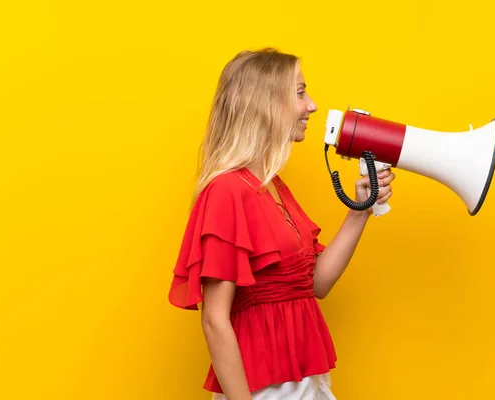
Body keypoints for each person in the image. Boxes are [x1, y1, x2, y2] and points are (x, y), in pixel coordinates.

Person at [168, 48, 395, 399]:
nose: (312, 106)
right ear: (266, 102)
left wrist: (360, 210)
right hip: (264, 390)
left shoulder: (271, 187)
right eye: (300, 92)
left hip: (305, 382)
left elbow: (314, 285)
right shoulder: (227, 190)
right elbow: (214, 319)